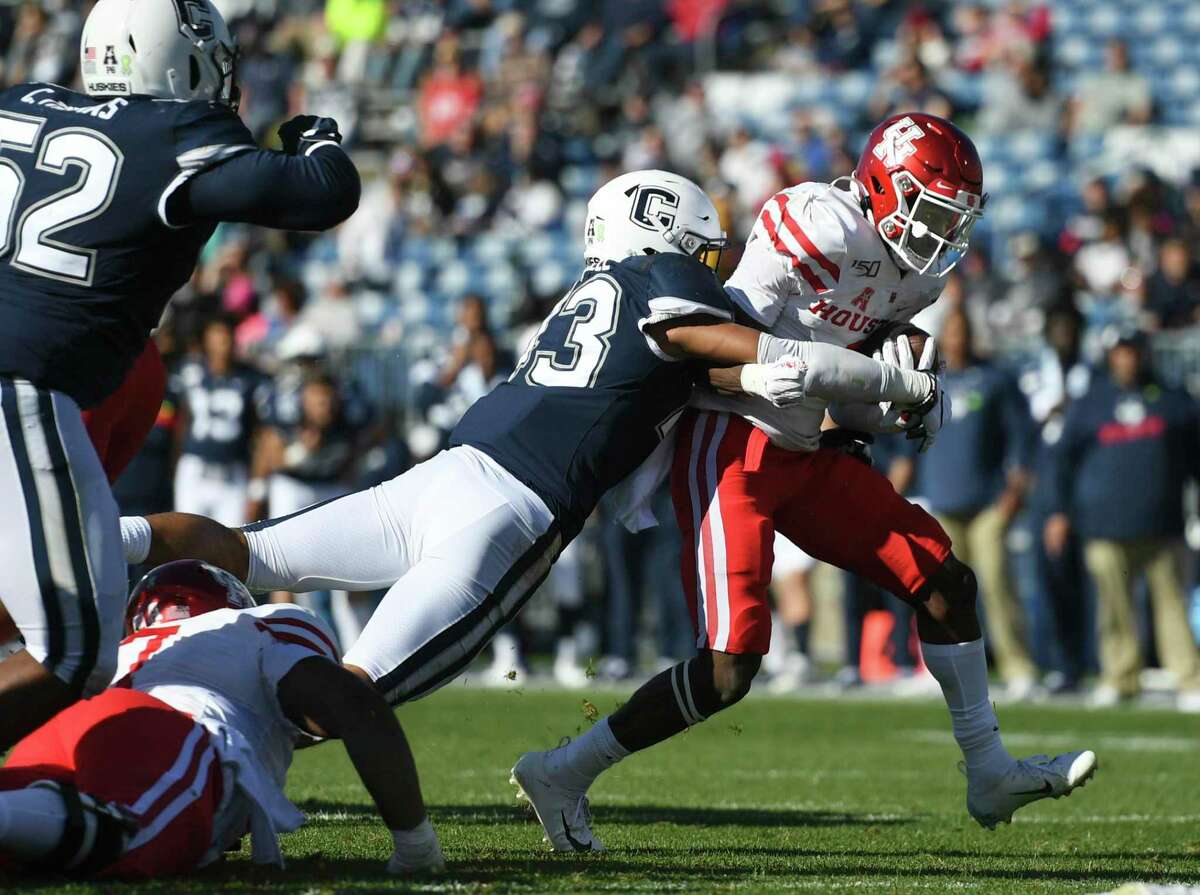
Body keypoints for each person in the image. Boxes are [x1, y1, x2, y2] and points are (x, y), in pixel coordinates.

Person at [119, 169, 940, 728]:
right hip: (515, 512)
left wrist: (845, 417)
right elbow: (777, 362)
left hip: (445, 472)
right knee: (357, 695)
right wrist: (895, 384)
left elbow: (743, 391)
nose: (714, 260)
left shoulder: (594, 292)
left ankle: (112, 539)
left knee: (255, 551)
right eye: (705, 245)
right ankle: (190, 737)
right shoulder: (669, 284)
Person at [511, 114, 1095, 853]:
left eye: (956, 219)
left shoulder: (917, 273)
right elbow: (718, 350)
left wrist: (894, 387)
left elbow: (844, 368)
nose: (941, 233)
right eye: (933, 209)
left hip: (810, 447)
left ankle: (988, 770)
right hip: (734, 441)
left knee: (947, 582)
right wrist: (870, 378)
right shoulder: (813, 221)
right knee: (730, 667)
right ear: (885, 186)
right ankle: (562, 770)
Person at [0, 0, 360, 747]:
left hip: (30, 380)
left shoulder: (17, 105)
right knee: (71, 651)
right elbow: (324, 191)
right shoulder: (174, 132)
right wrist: (316, 132)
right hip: (19, 382)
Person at [0, 559, 442, 878]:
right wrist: (415, 844)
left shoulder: (120, 650)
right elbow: (349, 701)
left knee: (28, 851)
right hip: (169, 728)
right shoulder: (254, 626)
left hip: (62, 727)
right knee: (121, 835)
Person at [1044, 332, 1200, 712]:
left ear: (1143, 354)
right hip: (1104, 523)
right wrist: (1059, 512)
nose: (1127, 359)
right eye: (1120, 353)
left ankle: (1189, 679)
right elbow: (1062, 462)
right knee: (1112, 608)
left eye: (1132, 351)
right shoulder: (1090, 403)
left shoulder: (1173, 398)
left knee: (1172, 606)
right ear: (1111, 356)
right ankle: (1119, 676)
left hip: (1163, 523)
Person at [916, 308, 1039, 700]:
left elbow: (1022, 434)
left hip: (988, 503)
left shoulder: (995, 379)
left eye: (963, 330)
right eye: (951, 331)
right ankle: (951, 673)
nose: (957, 338)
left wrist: (1015, 488)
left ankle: (1018, 665)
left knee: (997, 582)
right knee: (943, 592)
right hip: (943, 501)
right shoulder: (928, 380)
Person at [172, 316, 270, 527]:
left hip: (232, 471)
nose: (222, 341)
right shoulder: (191, 372)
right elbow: (182, 422)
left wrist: (257, 487)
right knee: (186, 540)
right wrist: (175, 464)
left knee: (231, 545)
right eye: (216, 335)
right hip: (195, 467)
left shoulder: (251, 378)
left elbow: (261, 434)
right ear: (206, 339)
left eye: (226, 335)